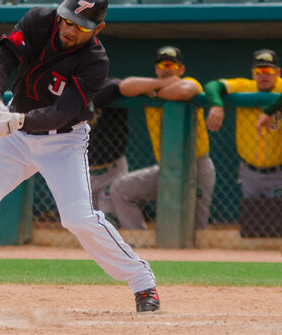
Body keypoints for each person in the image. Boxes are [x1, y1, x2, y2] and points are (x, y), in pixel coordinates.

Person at [0, 0, 159, 315]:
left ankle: (142, 281)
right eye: (67, 21)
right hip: (11, 135)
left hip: (63, 140)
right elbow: (4, 60)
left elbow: (64, 111)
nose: (70, 30)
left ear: (98, 28)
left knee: (79, 218)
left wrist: (19, 120)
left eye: (81, 27)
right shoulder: (37, 21)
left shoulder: (94, 61)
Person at [110, 46, 215, 230]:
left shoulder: (189, 81)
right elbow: (125, 86)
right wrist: (160, 85)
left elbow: (184, 91)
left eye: (172, 65)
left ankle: (196, 256)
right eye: (162, 65)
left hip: (196, 166)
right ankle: (138, 241)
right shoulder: (150, 85)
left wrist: (155, 93)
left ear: (181, 70)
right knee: (121, 189)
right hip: (165, 168)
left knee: (196, 229)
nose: (167, 69)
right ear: (156, 69)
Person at [205, 49, 282, 198]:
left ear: (278, 72)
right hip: (249, 173)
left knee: (277, 220)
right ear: (253, 73)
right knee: (252, 220)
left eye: (268, 70)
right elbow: (212, 86)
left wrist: (269, 111)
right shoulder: (245, 86)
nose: (264, 75)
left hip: (278, 173)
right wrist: (216, 105)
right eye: (259, 71)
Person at [88, 77, 128, 227]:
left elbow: (117, 86)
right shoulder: (73, 89)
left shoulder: (111, 85)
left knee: (109, 223)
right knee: (78, 223)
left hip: (112, 172)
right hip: (84, 174)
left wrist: (87, 104)